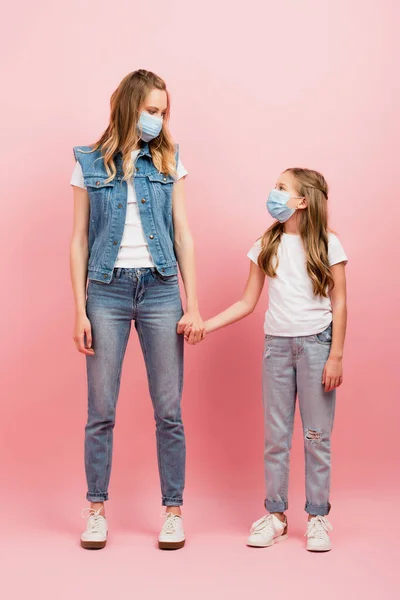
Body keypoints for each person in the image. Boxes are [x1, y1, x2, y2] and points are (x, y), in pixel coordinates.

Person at [70, 69, 204, 550]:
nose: (158, 119)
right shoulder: (88, 162)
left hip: (162, 289)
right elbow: (79, 239)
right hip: (105, 291)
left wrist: (194, 302)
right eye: (151, 110)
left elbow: (183, 233)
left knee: (169, 410)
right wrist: (80, 310)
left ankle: (173, 511)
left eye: (164, 112)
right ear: (129, 106)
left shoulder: (169, 159)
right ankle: (95, 509)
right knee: (100, 410)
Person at [198, 168, 347, 552]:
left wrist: (336, 355)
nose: (272, 192)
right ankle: (276, 516)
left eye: (281, 188)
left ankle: (317, 517)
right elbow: (248, 302)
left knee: (317, 436)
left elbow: (340, 302)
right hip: (276, 349)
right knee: (276, 437)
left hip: (316, 347)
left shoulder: (328, 244)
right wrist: (206, 325)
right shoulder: (266, 243)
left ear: (302, 201)